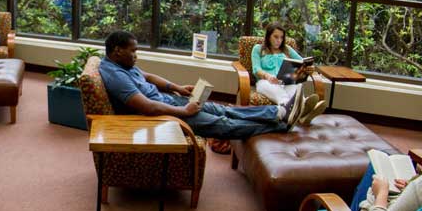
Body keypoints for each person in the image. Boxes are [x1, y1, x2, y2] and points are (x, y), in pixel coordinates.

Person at [99, 30, 305, 139]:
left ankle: (277, 112)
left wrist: (176, 87)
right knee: (224, 125)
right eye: (133, 51)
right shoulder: (115, 75)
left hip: (169, 101)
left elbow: (149, 77)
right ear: (117, 50)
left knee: (221, 109)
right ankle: (281, 126)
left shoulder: (124, 65)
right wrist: (184, 111)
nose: (136, 55)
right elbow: (146, 107)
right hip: (161, 115)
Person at [251, 23, 326, 125]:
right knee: (281, 95)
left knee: (296, 88)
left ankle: (303, 109)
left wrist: (309, 68)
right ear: (268, 36)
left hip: (285, 82)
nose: (279, 40)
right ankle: (299, 112)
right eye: (276, 37)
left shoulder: (287, 49)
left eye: (281, 37)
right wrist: (267, 76)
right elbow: (256, 68)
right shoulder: (258, 49)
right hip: (266, 82)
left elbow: (301, 61)